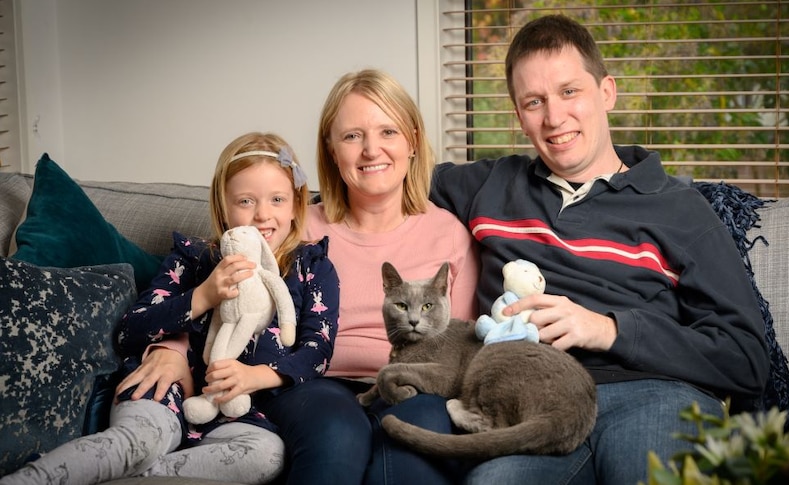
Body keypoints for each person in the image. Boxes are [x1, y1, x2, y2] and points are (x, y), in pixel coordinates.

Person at [428, 14, 771, 485]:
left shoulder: (680, 208)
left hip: (653, 396)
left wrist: (609, 330)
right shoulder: (489, 185)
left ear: (606, 92)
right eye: (534, 101)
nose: (554, 117)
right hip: (532, 403)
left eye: (570, 92)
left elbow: (747, 358)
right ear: (518, 114)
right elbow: (383, 176)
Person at [0, 132, 339, 485]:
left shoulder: (311, 267)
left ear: (296, 206)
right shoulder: (193, 259)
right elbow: (130, 329)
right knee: (138, 441)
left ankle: (123, 475)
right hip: (165, 389)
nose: (262, 215)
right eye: (245, 201)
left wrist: (255, 377)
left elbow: (318, 348)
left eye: (277, 199)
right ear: (223, 206)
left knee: (266, 455)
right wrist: (204, 296)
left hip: (241, 414)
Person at [293, 68, 479, 485]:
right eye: (352, 135)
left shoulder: (449, 234)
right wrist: (174, 350)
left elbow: (456, 346)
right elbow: (217, 279)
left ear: (412, 141)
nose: (371, 150)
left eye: (388, 132)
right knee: (337, 437)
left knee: (412, 452)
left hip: (418, 386)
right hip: (323, 383)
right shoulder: (298, 227)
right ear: (331, 149)